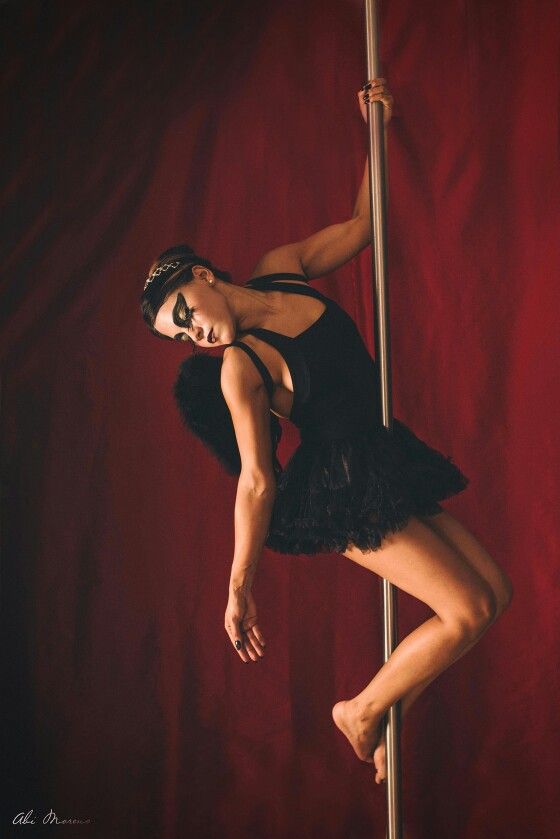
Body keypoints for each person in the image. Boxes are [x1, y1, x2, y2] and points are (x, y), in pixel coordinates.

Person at [140, 79, 513, 784]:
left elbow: (362, 226)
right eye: (179, 335)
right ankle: (361, 712)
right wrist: (238, 584)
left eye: (184, 311)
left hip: (381, 453)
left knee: (494, 592)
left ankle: (383, 708)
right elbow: (257, 479)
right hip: (342, 486)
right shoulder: (240, 370)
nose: (193, 332)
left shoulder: (283, 270)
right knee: (463, 610)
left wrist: (377, 126)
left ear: (201, 275)